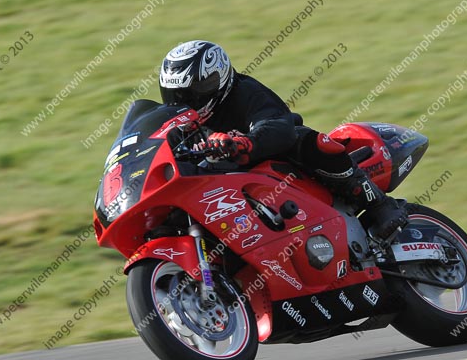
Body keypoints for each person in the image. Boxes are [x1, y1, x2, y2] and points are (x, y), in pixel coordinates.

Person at [158, 40, 407, 241]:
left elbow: (277, 125)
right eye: (176, 95)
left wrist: (245, 143)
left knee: (313, 143)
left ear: (218, 78)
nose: (185, 101)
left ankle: (380, 205)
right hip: (229, 185)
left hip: (276, 157)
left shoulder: (244, 92)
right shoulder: (179, 127)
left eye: (194, 90)